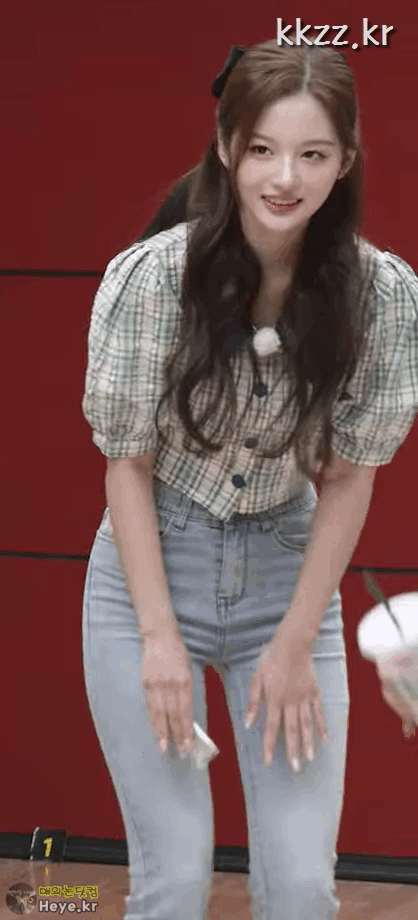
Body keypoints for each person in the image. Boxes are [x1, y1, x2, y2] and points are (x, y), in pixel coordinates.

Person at [81, 36, 418, 920]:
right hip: (149, 574)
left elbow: (350, 476)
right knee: (173, 880)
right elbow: (128, 463)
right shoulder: (152, 279)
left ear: (345, 162)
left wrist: (297, 640)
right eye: (263, 148)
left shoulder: (382, 296)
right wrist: (158, 639)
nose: (285, 177)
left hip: (285, 577)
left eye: (313, 154)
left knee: (303, 887)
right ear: (228, 147)